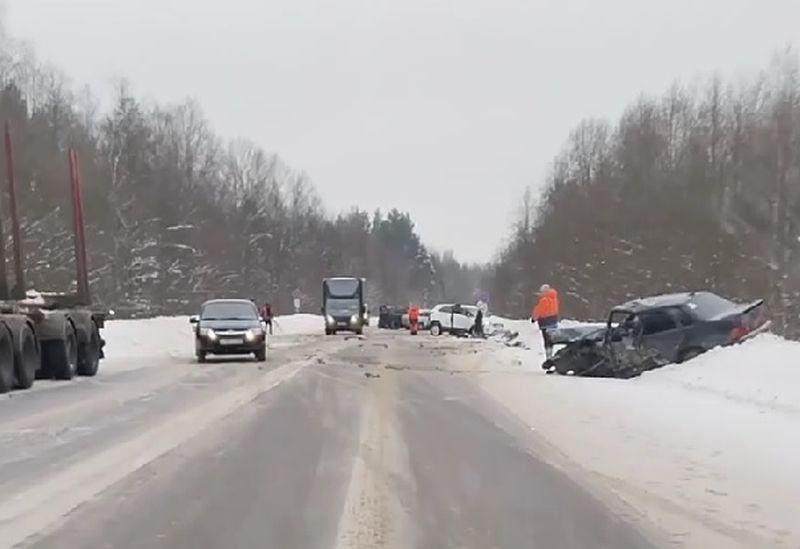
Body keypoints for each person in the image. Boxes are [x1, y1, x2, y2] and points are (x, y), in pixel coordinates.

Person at [532, 284, 559, 360]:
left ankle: (548, 357)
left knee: (546, 340)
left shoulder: (544, 300)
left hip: (545, 322)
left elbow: (539, 310)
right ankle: (551, 354)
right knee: (551, 340)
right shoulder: (555, 299)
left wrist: (534, 318)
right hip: (553, 321)